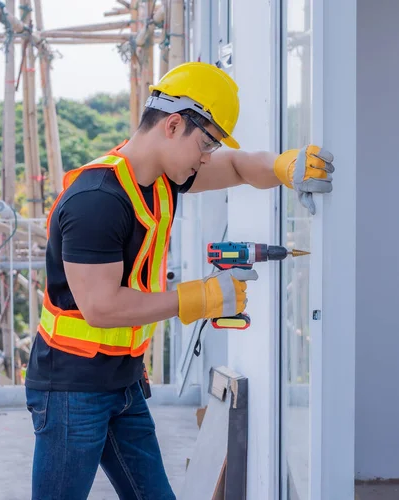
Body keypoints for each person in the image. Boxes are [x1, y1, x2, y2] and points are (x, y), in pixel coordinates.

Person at [23, 61, 335, 500]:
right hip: (72, 391)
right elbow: (101, 307)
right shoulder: (97, 201)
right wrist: (201, 298)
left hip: (121, 382)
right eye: (206, 143)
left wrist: (285, 167)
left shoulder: (162, 180)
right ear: (173, 125)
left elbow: (242, 167)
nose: (207, 157)